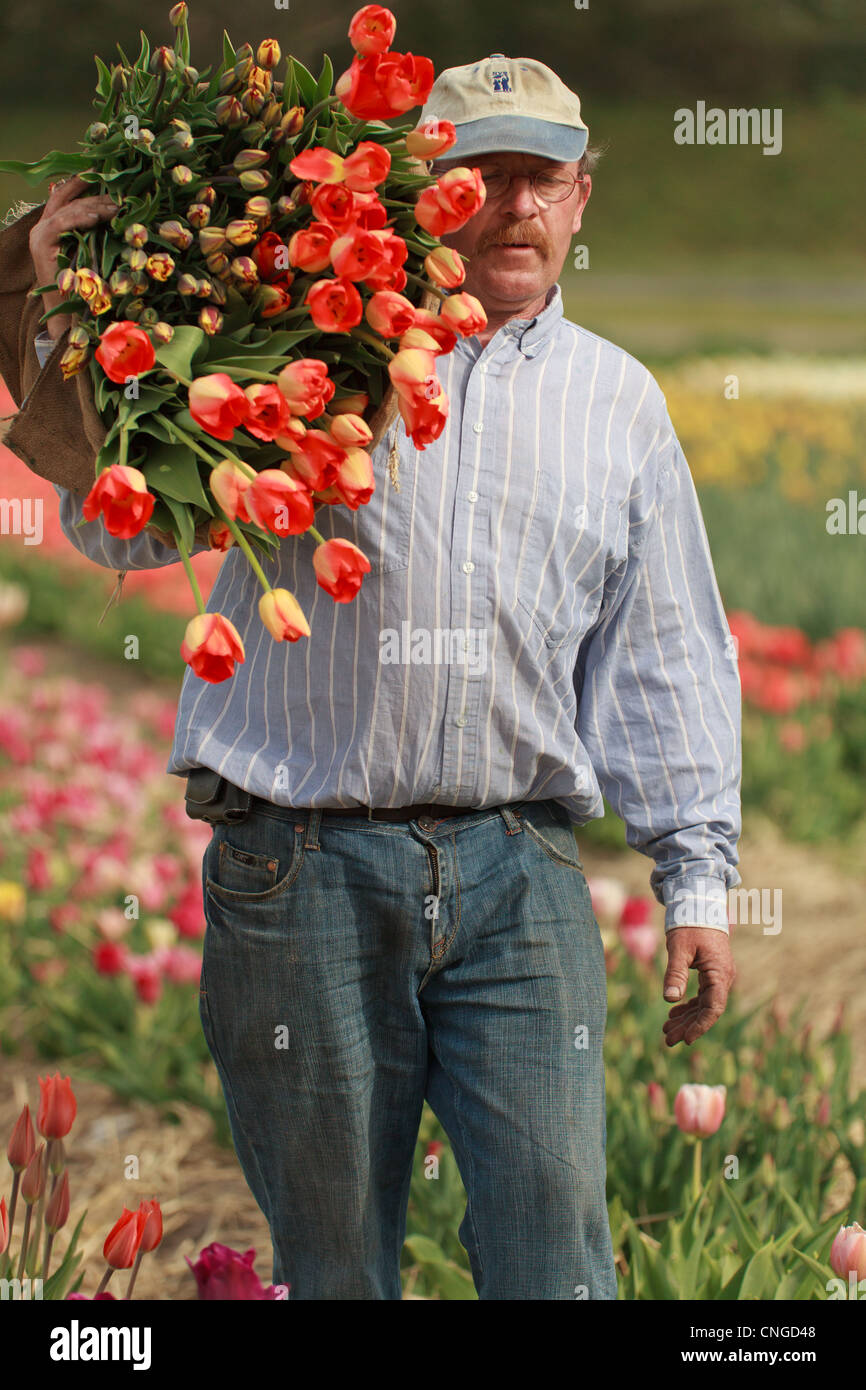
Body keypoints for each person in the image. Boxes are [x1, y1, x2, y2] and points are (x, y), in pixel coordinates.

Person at [5, 53, 740, 1300]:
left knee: (556, 1256)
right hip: (300, 869)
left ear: (580, 200)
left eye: (539, 179)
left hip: (521, 875)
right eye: (480, 177)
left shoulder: (619, 403)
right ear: (415, 191)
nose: (512, 206)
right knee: (336, 1267)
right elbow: (122, 526)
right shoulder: (300, 347)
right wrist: (55, 307)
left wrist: (699, 879)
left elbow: (662, 651)